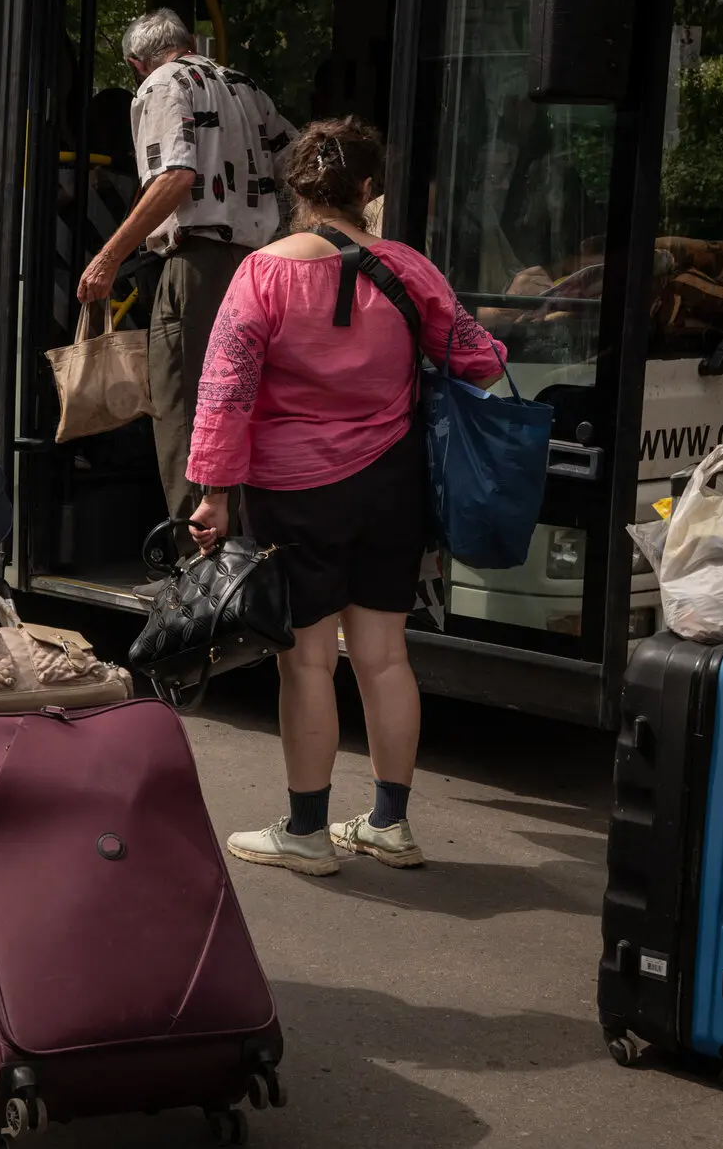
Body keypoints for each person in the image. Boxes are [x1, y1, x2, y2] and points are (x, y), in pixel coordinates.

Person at [184, 118, 507, 876]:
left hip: (293, 493)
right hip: (391, 489)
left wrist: (213, 492)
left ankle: (306, 832)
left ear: (296, 188)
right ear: (368, 190)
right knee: (384, 656)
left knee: (305, 664)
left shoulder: (261, 273)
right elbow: (481, 362)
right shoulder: (411, 270)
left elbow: (225, 391)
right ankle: (390, 823)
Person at [77, 7, 294, 524]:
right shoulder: (244, 85)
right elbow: (296, 164)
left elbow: (173, 177)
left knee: (183, 406)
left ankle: (194, 563)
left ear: (135, 63)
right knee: (240, 403)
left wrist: (108, 257)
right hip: (261, 265)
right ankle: (242, 549)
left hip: (199, 266)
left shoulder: (159, 85)